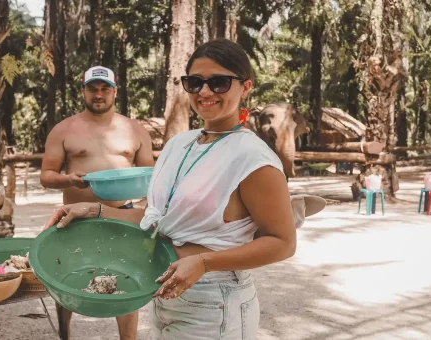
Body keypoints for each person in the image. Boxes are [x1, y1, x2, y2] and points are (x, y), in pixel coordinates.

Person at [43, 39, 297, 339]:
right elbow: (159, 223)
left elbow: (283, 242)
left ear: (245, 87)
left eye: (219, 82)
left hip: (214, 302)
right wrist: (96, 210)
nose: (205, 92)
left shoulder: (252, 158)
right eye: (195, 82)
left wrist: (204, 263)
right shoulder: (179, 145)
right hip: (164, 291)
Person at [40, 66, 154, 340]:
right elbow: (46, 175)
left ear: (115, 91)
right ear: (84, 91)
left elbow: (151, 174)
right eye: (93, 88)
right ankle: (65, 335)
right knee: (64, 277)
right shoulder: (64, 129)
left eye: (105, 88)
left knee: (127, 278)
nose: (99, 94)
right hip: (73, 216)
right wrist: (68, 179)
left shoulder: (135, 128)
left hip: (120, 214)